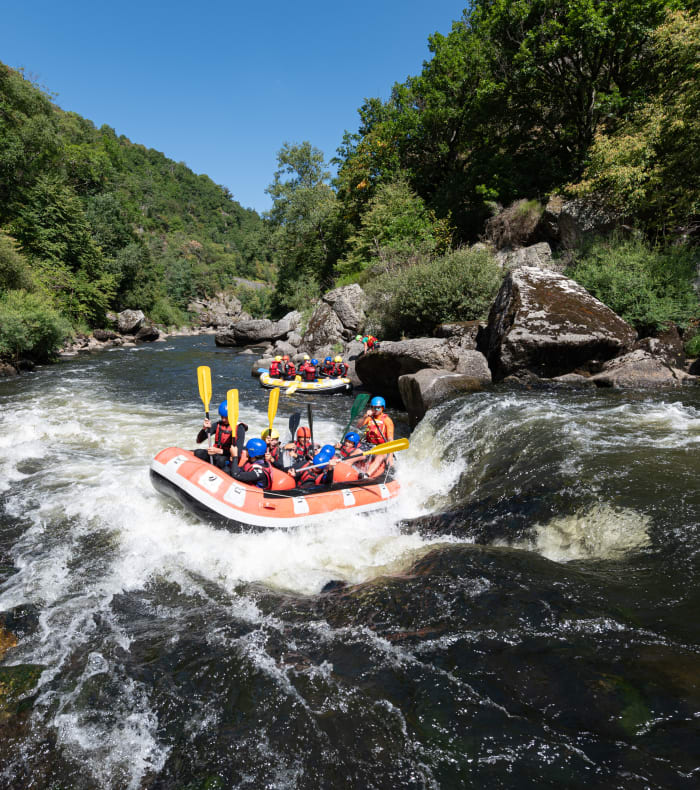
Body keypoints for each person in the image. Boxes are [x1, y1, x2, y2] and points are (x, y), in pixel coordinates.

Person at [358, 396, 394, 477]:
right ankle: (346, 465)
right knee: (357, 452)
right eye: (373, 408)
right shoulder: (368, 417)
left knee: (380, 457)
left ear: (382, 408)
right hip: (368, 444)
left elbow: (390, 439)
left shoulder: (387, 420)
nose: (375, 410)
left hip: (381, 446)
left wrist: (390, 456)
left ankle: (366, 475)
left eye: (378, 408)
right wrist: (365, 417)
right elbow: (358, 425)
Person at [194, 401, 235, 470]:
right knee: (198, 453)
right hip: (215, 454)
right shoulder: (217, 425)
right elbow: (199, 441)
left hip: (227, 455)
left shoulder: (238, 428)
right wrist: (204, 429)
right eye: (222, 417)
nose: (223, 419)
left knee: (221, 460)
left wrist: (218, 451)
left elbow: (237, 453)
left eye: (226, 417)